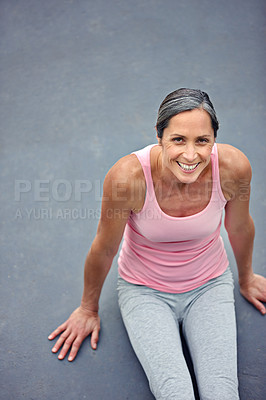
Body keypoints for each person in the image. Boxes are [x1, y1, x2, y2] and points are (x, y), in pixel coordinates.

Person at [48, 88, 266, 399]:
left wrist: (246, 278)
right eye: (178, 139)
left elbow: (240, 226)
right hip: (145, 291)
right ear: (158, 135)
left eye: (202, 141)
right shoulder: (127, 178)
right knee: (175, 392)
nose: (190, 156)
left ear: (214, 139)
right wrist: (87, 308)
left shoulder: (234, 168)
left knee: (223, 392)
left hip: (210, 285)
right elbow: (105, 247)